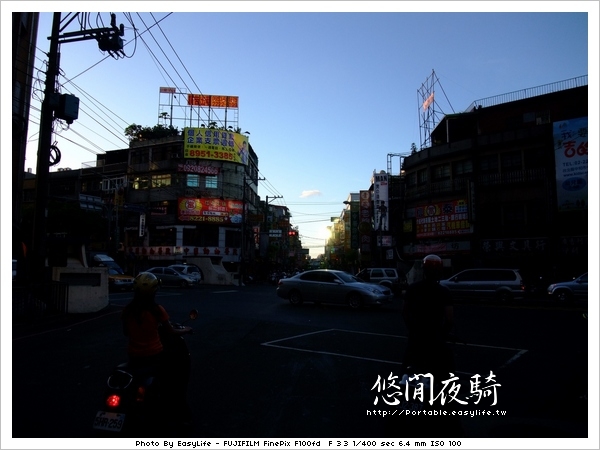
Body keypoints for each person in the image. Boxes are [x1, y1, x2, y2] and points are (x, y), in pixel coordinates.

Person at [401, 254, 454, 381]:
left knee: (407, 367)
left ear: (424, 270)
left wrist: (412, 328)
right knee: (445, 369)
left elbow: (405, 312)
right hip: (435, 336)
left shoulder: (413, 289)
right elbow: (449, 319)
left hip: (416, 335)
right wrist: (443, 334)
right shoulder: (444, 292)